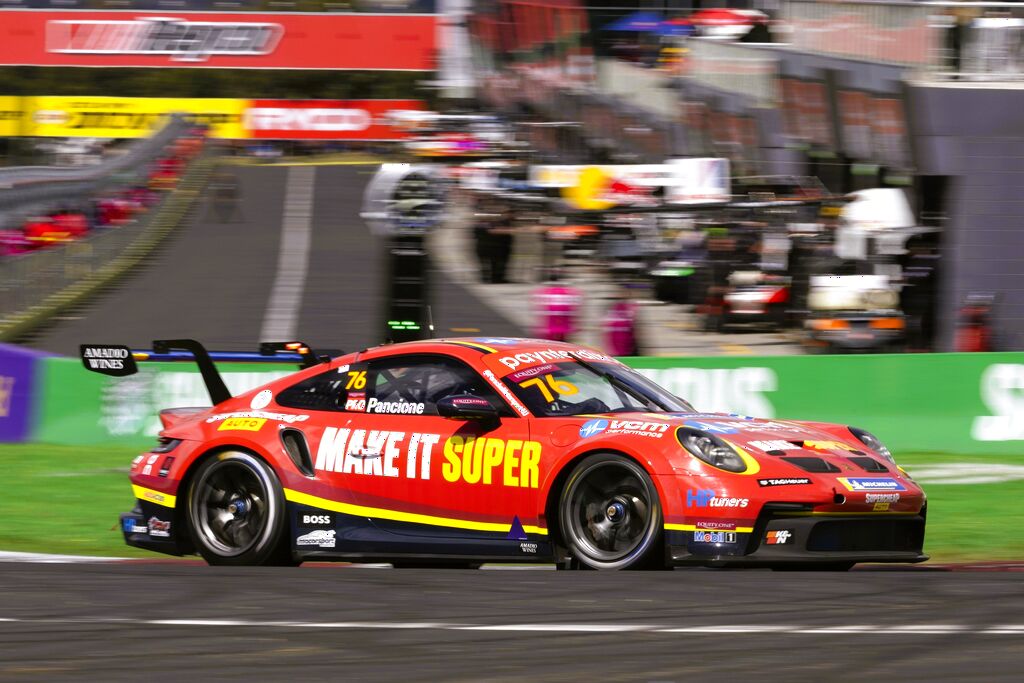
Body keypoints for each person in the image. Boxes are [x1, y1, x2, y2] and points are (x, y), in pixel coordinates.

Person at [531, 269, 581, 342]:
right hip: (565, 328)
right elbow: (576, 310)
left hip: (548, 328)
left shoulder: (543, 292)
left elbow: (538, 310)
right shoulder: (570, 292)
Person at [603, 286, 642, 356]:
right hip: (616, 347)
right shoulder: (612, 308)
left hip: (627, 347)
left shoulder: (633, 307)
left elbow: (636, 328)